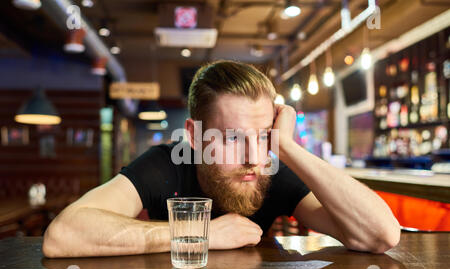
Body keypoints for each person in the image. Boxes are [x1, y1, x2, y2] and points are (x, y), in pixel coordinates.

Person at [42, 60, 400, 258]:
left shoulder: (267, 167)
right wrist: (200, 234)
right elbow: (63, 235)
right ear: (195, 137)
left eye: (262, 136)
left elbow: (381, 236)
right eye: (230, 138)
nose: (252, 157)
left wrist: (288, 147)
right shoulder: (166, 164)